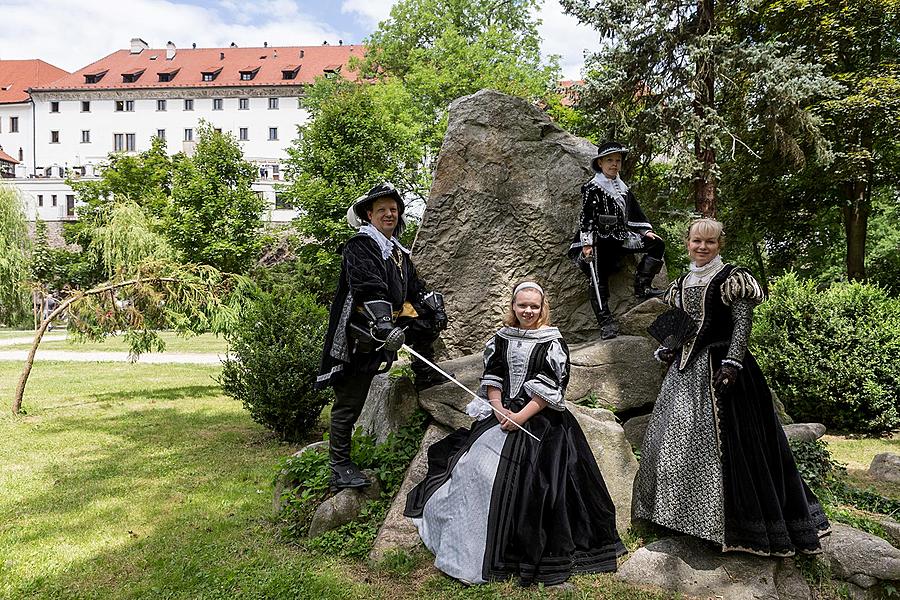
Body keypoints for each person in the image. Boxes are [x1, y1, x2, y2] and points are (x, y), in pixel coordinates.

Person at [405, 281, 626, 586]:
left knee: (541, 483)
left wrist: (519, 415)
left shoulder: (552, 341)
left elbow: (551, 388)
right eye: (522, 305)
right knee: (473, 469)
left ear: (542, 307)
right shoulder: (501, 338)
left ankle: (517, 551)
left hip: (539, 419)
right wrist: (497, 408)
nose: (528, 311)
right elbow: (493, 378)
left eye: (534, 306)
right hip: (502, 413)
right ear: (513, 306)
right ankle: (467, 545)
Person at [633, 218, 830, 556]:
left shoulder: (732, 278)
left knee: (734, 447)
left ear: (719, 244)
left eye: (709, 242)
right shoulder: (681, 283)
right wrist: (668, 345)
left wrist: (733, 363)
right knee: (671, 439)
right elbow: (680, 322)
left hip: (723, 370)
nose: (702, 247)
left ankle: (730, 527)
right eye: (697, 241)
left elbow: (742, 324)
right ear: (688, 243)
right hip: (684, 372)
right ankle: (677, 518)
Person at [316, 182, 448, 490]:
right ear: (368, 215)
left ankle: (425, 374)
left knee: (426, 316)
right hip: (360, 332)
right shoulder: (360, 247)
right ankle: (339, 465)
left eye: (393, 209)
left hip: (389, 323)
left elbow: (415, 288)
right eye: (382, 210)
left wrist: (431, 304)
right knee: (350, 400)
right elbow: (368, 287)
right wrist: (385, 324)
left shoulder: (398, 252)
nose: (389, 214)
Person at [568, 141, 666, 340]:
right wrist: (587, 244)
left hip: (622, 239)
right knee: (597, 276)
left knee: (657, 244)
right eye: (610, 160)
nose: (614, 164)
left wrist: (644, 231)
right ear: (600, 163)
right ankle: (605, 322)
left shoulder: (622, 187)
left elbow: (634, 212)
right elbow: (586, 218)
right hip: (599, 242)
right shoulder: (592, 188)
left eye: (618, 161)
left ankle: (643, 286)